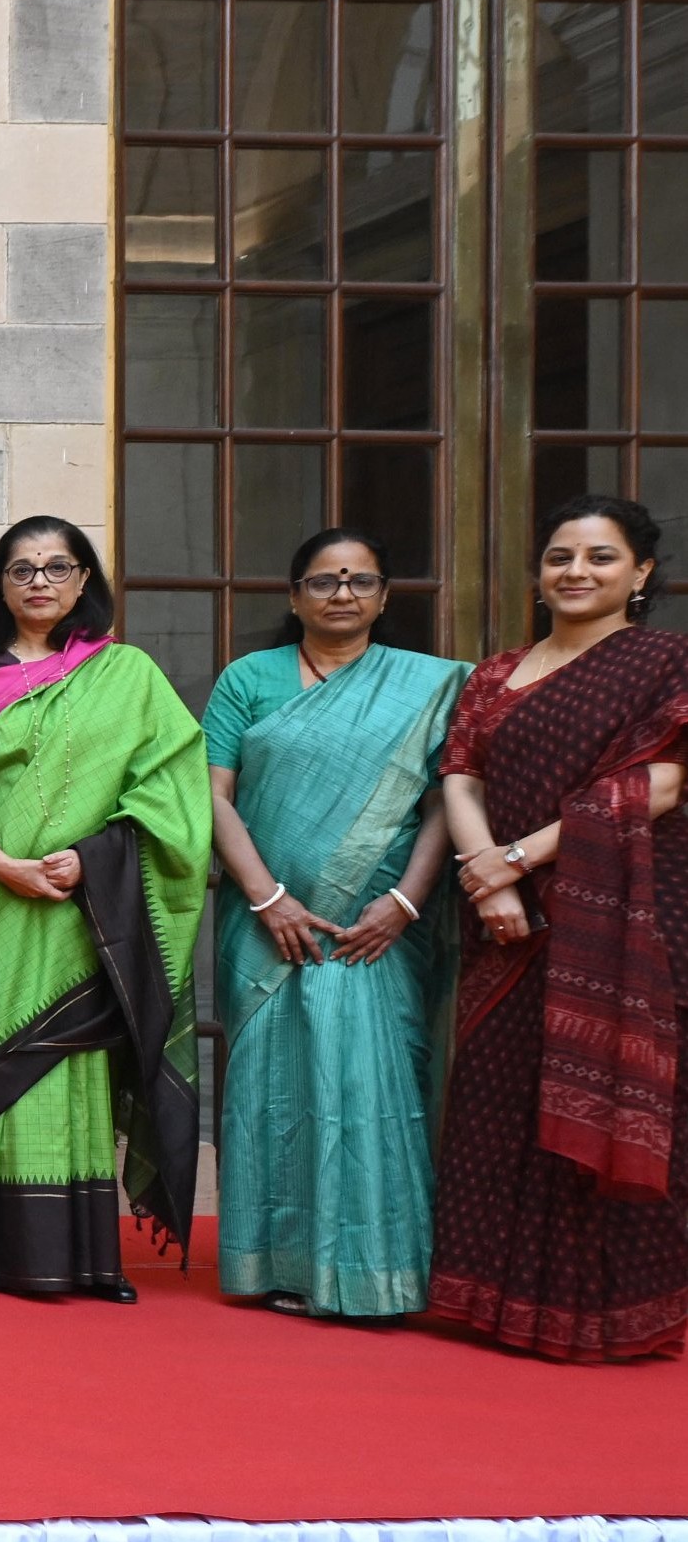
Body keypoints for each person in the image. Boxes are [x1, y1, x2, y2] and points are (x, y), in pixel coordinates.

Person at [0, 516, 207, 1301]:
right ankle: (10, 1255)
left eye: (56, 566)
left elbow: (171, 790)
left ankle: (88, 1258)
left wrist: (94, 856)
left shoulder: (128, 673)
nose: (38, 580)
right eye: (20, 568)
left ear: (84, 580)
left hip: (87, 901)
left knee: (76, 1062)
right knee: (3, 1059)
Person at [433, 493, 688, 1361]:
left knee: (601, 1082)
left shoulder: (663, 663)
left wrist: (520, 857)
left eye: (599, 557)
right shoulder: (495, 672)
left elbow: (657, 785)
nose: (575, 572)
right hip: (503, 921)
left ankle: (594, 1312)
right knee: (498, 1092)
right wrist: (483, 877)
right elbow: (459, 776)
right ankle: (492, 1298)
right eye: (559, 557)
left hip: (613, 921)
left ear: (641, 573)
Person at [203, 528, 464, 1322]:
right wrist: (265, 897)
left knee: (370, 1083)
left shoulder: (428, 686)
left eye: (358, 580)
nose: (341, 593)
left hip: (376, 927)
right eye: (322, 580)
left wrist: (406, 902)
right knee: (272, 1091)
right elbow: (211, 797)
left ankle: (375, 1274)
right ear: (293, 597)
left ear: (383, 597)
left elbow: (444, 805)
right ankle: (274, 1265)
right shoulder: (247, 679)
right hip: (265, 922)